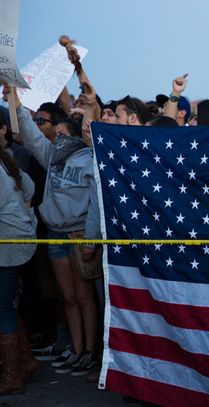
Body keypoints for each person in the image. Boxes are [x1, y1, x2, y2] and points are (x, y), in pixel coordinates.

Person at [5, 84, 101, 377]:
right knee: (67, 298)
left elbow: (95, 200)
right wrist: (15, 102)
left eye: (62, 135)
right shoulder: (52, 158)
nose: (56, 140)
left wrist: (92, 238)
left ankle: (89, 352)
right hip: (56, 234)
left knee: (85, 298)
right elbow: (32, 137)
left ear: (75, 135)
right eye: (55, 135)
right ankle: (74, 348)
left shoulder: (88, 158)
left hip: (79, 235)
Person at [0, 143, 39, 395]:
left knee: (3, 308)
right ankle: (25, 361)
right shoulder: (6, 162)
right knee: (6, 306)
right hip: (15, 240)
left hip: (8, 245)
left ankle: (13, 375)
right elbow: (29, 188)